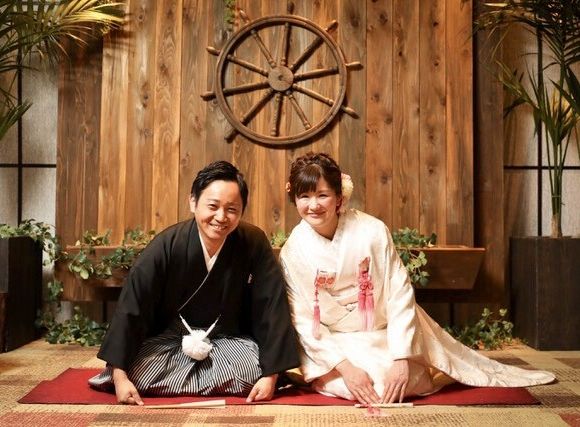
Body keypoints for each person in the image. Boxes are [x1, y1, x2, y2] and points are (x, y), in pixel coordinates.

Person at [280, 152, 555, 405]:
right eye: (304, 196)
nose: (313, 205)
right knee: (357, 385)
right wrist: (345, 368)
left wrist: (402, 357)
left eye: (323, 195)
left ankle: (388, 369)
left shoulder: (371, 231)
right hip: (335, 344)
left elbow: (399, 294)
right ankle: (333, 375)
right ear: (295, 199)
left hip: (385, 332)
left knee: (393, 382)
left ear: (339, 197)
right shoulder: (294, 251)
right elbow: (302, 319)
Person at [89, 161, 300, 404]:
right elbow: (132, 306)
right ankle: (215, 383)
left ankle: (182, 383)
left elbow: (270, 305)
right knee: (137, 371)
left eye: (232, 209)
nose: (221, 217)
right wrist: (120, 376)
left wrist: (270, 376)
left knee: (253, 369)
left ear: (242, 210)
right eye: (213, 206)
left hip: (227, 343)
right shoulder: (166, 245)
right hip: (171, 342)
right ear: (193, 202)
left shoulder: (253, 242)